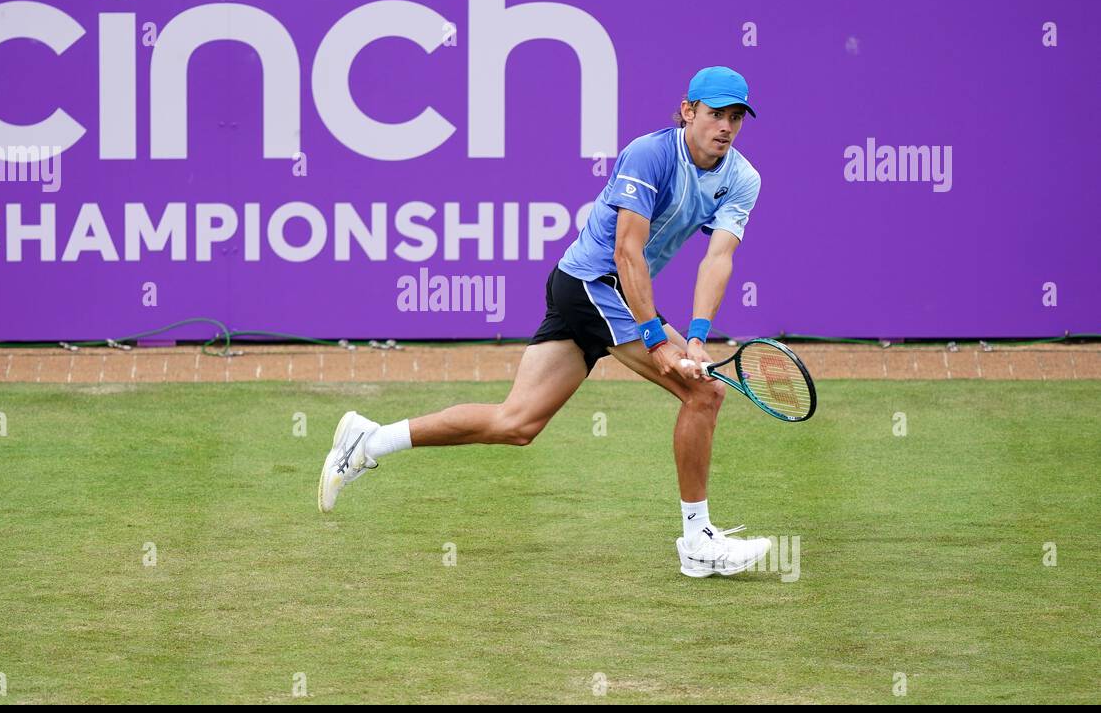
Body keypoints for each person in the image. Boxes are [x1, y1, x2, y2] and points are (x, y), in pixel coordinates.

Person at [318, 66, 772, 578]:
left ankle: (370, 440)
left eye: (736, 117)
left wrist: (695, 336)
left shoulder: (742, 178)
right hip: (592, 285)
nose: (726, 127)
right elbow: (627, 252)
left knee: (517, 423)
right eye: (715, 114)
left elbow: (718, 260)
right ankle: (698, 541)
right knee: (704, 395)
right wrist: (659, 341)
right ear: (689, 111)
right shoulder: (651, 154)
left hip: (606, 294)